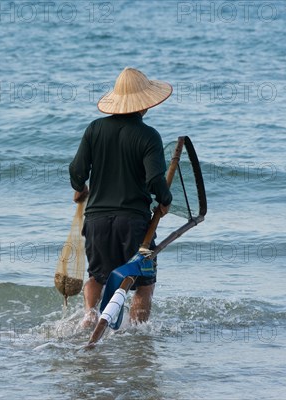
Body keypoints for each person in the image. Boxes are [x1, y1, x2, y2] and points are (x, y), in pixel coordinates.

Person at [69, 67, 173, 328]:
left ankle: (89, 316)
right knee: (143, 284)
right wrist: (165, 199)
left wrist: (80, 187)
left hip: (97, 221)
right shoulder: (149, 135)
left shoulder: (94, 129)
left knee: (96, 276)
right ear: (145, 104)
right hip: (133, 223)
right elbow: (154, 180)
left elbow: (76, 170)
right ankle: (137, 338)